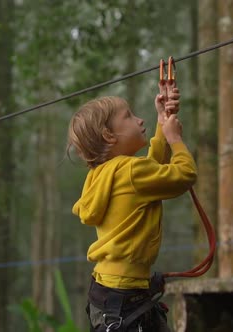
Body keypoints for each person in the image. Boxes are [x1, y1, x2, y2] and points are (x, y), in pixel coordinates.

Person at [67, 82, 196, 332]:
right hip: (125, 296)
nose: (138, 120)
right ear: (108, 135)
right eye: (128, 116)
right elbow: (185, 175)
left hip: (108, 292)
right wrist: (175, 139)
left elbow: (149, 175)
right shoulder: (131, 172)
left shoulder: (101, 174)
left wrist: (162, 121)